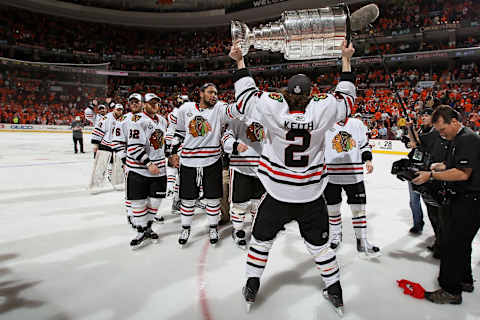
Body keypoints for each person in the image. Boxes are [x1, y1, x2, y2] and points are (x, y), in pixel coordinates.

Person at [229, 39, 356, 315]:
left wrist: (240, 61)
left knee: (261, 241)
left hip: (277, 195)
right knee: (320, 247)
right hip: (310, 195)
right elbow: (347, 99)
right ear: (311, 94)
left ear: (286, 92)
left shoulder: (273, 106)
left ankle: (252, 283)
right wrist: (345, 59)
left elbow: (245, 97)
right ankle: (334, 288)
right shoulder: (322, 108)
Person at [413, 105, 480, 304]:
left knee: (451, 244)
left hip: (470, 200)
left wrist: (431, 175)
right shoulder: (457, 138)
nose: (441, 134)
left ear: (454, 122)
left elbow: (462, 173)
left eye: (442, 129)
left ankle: (451, 290)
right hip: (467, 199)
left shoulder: (468, 139)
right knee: (461, 243)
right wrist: (440, 166)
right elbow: (455, 165)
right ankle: (464, 280)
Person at [170, 83, 234, 247]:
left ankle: (213, 227)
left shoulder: (220, 107)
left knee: (213, 198)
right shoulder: (186, 109)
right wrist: (173, 152)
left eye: (216, 92)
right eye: (211, 92)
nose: (214, 95)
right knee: (187, 198)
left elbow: (233, 111)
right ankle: (185, 228)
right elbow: (179, 133)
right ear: (200, 93)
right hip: (188, 161)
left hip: (212, 161)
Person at [324, 115, 380, 257]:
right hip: (331, 175)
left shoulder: (357, 123)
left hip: (354, 175)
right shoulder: (326, 123)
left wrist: (368, 160)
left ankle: (362, 239)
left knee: (358, 209)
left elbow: (364, 144)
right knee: (332, 209)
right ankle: (335, 236)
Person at [125, 93, 168, 249]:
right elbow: (134, 147)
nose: (155, 105)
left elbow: (164, 143)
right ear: (144, 105)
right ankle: (142, 230)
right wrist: (148, 163)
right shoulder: (137, 121)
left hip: (160, 169)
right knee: (139, 202)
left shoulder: (162, 120)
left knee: (155, 201)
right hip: (139, 169)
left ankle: (148, 227)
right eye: (151, 103)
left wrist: (171, 154)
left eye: (156, 102)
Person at [221, 118, 265, 249]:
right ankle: (238, 230)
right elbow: (225, 138)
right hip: (241, 167)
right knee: (240, 204)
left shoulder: (267, 115)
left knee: (258, 203)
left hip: (262, 167)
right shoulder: (237, 119)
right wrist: (234, 145)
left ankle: (256, 229)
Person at [111, 93, 144, 228]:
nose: (134, 104)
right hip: (131, 161)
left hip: (148, 161)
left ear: (142, 103)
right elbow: (117, 142)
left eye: (137, 101)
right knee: (132, 188)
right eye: (132, 102)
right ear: (129, 104)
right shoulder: (123, 119)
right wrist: (124, 160)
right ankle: (131, 212)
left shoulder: (150, 118)